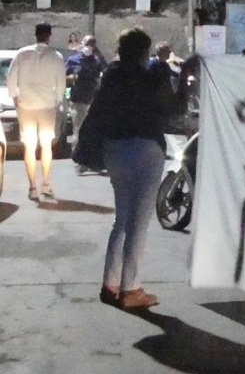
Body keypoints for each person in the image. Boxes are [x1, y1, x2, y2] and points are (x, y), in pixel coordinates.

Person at [92, 28, 188, 309]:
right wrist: (181, 78)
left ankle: (110, 284)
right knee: (139, 223)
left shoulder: (110, 75)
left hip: (114, 149)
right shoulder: (151, 77)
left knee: (121, 219)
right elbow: (176, 109)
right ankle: (131, 289)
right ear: (144, 52)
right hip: (145, 150)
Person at [6, 22, 67, 200]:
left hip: (26, 105)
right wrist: (56, 100)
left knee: (29, 145)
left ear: (35, 34)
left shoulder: (22, 54)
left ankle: (32, 186)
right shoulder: (56, 56)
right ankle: (46, 183)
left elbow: (11, 79)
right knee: (46, 144)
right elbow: (61, 84)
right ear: (49, 36)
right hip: (46, 105)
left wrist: (15, 99)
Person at [66, 35, 106, 173]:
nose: (90, 45)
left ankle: (91, 160)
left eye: (93, 43)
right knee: (79, 130)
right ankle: (79, 161)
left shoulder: (96, 60)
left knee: (93, 131)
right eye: (88, 43)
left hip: (93, 100)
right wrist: (71, 78)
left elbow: (103, 73)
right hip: (78, 100)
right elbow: (64, 76)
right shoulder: (73, 60)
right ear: (82, 44)